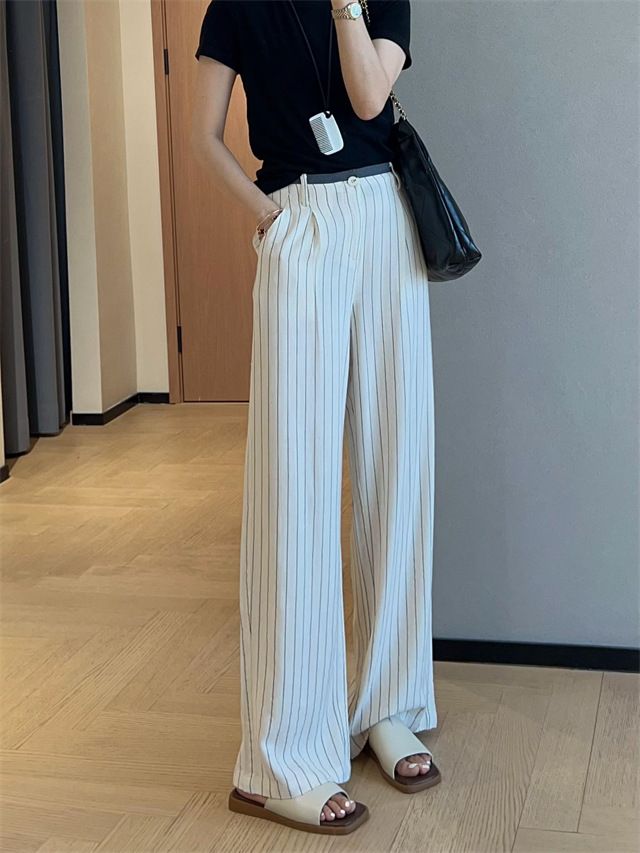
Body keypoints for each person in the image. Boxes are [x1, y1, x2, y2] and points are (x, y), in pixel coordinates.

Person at [191, 0, 441, 835]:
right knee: (293, 486)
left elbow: (369, 100)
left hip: (385, 220)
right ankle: (282, 758)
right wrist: (268, 217)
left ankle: (387, 703)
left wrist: (344, 7)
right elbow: (204, 136)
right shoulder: (236, 5)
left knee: (396, 462)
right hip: (297, 219)